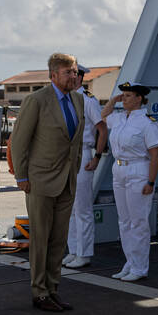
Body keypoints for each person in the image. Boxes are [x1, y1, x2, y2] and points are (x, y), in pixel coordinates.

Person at [10, 53, 84, 312]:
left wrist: (74, 170)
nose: (73, 77)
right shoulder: (37, 101)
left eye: (74, 72)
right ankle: (38, 292)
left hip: (67, 181)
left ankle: (53, 289)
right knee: (40, 239)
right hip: (40, 181)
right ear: (53, 75)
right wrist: (22, 177)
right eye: (68, 72)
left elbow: (76, 142)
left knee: (58, 240)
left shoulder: (78, 100)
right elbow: (19, 142)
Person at [100, 82, 158, 281]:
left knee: (138, 222)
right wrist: (114, 100)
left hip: (139, 170)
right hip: (119, 169)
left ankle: (140, 267)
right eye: (123, 95)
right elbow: (103, 116)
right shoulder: (119, 118)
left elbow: (156, 155)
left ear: (139, 98)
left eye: (128, 95)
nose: (124, 98)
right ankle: (130, 262)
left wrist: (150, 182)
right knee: (124, 221)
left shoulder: (147, 122)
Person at [63, 64, 108, 269]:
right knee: (69, 208)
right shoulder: (66, 100)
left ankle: (85, 253)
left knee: (83, 208)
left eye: (72, 75)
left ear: (79, 77)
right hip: (66, 155)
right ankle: (73, 250)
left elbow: (102, 129)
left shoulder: (88, 100)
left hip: (83, 153)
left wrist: (97, 156)